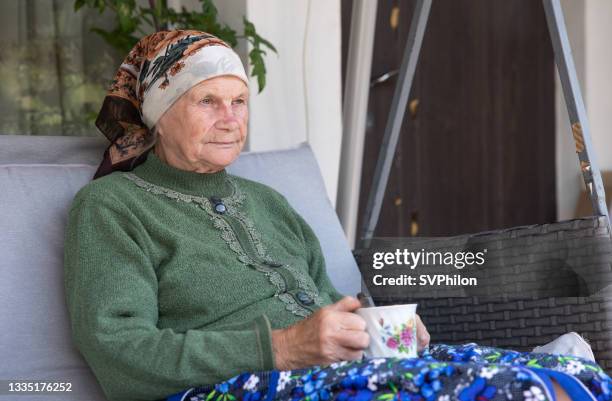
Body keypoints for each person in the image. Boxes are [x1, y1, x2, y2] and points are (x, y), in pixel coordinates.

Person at [64, 30, 609, 401]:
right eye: (207, 101)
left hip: (337, 372)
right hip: (232, 386)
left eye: (239, 101)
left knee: (578, 375)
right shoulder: (113, 207)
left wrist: (376, 330)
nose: (230, 119)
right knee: (526, 391)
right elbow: (119, 354)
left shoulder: (268, 201)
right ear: (160, 115)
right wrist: (280, 346)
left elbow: (327, 302)